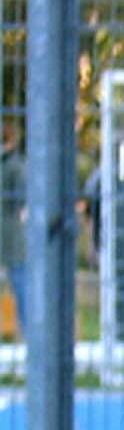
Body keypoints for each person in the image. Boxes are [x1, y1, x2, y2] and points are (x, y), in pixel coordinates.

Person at [0, 121, 23, 338]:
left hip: (12, 241)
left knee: (21, 286)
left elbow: (21, 205)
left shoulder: (14, 165)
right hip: (9, 240)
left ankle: (28, 335)